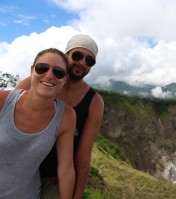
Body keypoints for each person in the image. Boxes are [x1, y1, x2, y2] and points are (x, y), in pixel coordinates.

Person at [17, 34, 104, 199]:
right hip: (24, 171)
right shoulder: (35, 82)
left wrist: (76, 195)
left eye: (89, 61)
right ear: (66, 55)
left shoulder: (94, 102)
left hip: (55, 179)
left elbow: (83, 156)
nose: (82, 63)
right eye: (77, 55)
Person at [0, 48, 76, 199]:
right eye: (42, 68)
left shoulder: (66, 116)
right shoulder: (3, 101)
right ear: (32, 70)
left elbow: (66, 169)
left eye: (58, 72)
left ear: (64, 79)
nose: (49, 75)